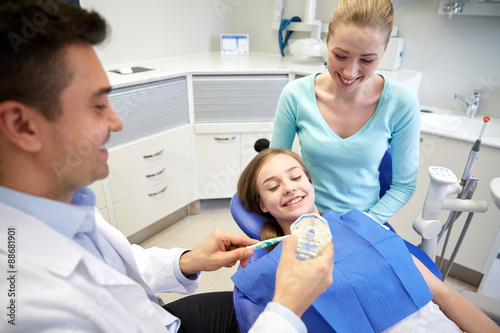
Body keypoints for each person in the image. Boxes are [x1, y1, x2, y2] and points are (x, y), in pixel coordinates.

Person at [0, 1, 333, 332]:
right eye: (97, 105)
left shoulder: (64, 200)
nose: (116, 122)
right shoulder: (26, 308)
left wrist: (187, 261)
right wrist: (287, 305)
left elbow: (115, 268)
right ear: (22, 126)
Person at [233, 148, 500, 333]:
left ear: (309, 181)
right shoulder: (274, 269)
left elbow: (445, 295)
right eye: (273, 186)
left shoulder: (364, 224)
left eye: (295, 176)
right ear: (262, 205)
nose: (289, 187)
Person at [270, 0, 420, 224]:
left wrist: (367, 222)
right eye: (340, 56)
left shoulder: (400, 103)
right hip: (305, 216)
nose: (350, 72)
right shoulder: (296, 95)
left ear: (384, 50)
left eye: (367, 60)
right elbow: (274, 166)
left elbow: (404, 184)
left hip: (366, 220)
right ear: (327, 41)